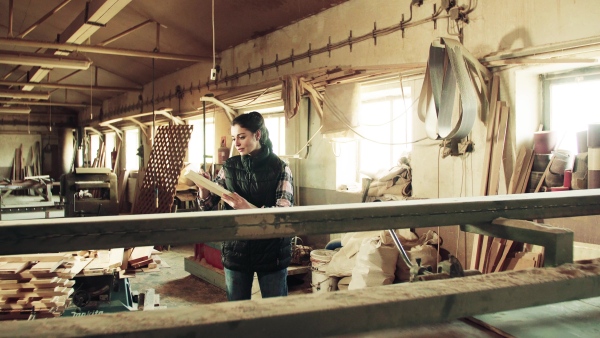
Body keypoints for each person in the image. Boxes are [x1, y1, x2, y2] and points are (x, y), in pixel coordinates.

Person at [198, 111, 294, 301]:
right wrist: (203, 189)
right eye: (234, 138)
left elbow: (283, 213)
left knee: (276, 313)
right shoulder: (229, 167)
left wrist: (248, 210)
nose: (237, 143)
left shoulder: (280, 167)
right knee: (238, 314)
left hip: (271, 251)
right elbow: (207, 207)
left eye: (242, 137)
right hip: (237, 250)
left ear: (257, 135)